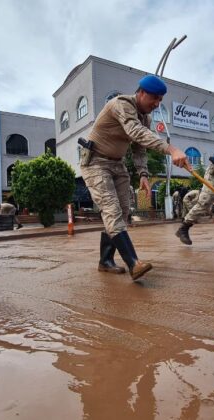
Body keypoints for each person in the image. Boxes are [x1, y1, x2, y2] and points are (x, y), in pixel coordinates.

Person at [81, 75, 189, 280]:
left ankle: (105, 261)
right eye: (154, 98)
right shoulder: (121, 104)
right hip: (96, 162)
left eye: (160, 100)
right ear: (140, 93)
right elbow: (135, 132)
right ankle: (133, 263)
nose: (157, 104)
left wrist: (143, 175)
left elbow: (139, 148)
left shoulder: (145, 118)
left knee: (122, 212)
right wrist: (170, 148)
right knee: (111, 210)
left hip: (117, 163)